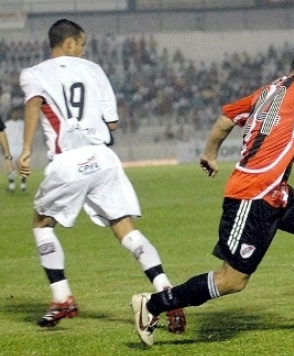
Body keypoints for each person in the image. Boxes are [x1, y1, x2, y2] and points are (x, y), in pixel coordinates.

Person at [131, 31, 294, 346]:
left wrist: (210, 154)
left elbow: (226, 118)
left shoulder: (270, 90)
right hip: (253, 194)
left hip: (274, 191)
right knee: (232, 280)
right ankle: (151, 305)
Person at [17, 19, 186, 332]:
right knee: (125, 228)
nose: (83, 50)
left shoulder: (34, 74)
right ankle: (167, 293)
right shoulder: (94, 70)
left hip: (69, 162)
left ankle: (62, 297)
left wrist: (26, 149)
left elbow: (33, 104)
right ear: (69, 43)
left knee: (42, 223)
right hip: (103, 159)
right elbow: (112, 124)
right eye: (81, 44)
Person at [5, 106, 27, 192]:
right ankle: (12, 185)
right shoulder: (7, 124)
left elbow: (26, 136)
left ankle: (23, 184)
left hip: (21, 147)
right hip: (11, 147)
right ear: (11, 114)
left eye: (17, 112)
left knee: (23, 166)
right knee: (10, 166)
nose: (15, 114)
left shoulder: (23, 123)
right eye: (14, 113)